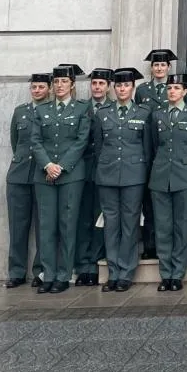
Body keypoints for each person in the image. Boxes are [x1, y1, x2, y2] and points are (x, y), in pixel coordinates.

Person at [30, 64, 90, 294]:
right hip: (44, 174)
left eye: (64, 82)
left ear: (72, 85)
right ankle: (48, 274)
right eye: (56, 82)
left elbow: (81, 141)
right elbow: (35, 141)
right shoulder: (41, 110)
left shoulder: (81, 109)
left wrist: (61, 166)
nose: (59, 86)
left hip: (71, 174)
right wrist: (47, 164)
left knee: (67, 225)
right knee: (46, 227)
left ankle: (64, 274)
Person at [94, 68, 152, 292]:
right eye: (118, 86)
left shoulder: (143, 112)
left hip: (134, 175)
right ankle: (113, 271)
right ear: (113, 88)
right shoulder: (102, 113)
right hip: (107, 174)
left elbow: (147, 148)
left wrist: (144, 176)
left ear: (132, 88)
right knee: (111, 225)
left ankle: (126, 272)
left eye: (126, 86)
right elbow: (98, 146)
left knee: (129, 224)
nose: (122, 89)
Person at [149, 72, 187, 292]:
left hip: (186, 176)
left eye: (176, 88)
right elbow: (154, 145)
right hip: (161, 176)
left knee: (182, 227)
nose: (172, 92)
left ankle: (178, 274)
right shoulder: (157, 115)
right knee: (163, 228)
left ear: (184, 92)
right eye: (169, 89)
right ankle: (166, 273)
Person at [4, 73, 50, 288]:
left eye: (41, 87)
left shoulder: (51, 111)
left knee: (44, 226)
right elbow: (16, 141)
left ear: (48, 89)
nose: (37, 90)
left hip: (42, 175)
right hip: (19, 174)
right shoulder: (20, 111)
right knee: (17, 226)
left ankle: (40, 270)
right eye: (34, 87)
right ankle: (16, 272)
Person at [136, 48, 178, 259]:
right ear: (151, 68)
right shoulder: (142, 90)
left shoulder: (174, 88)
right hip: (146, 147)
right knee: (149, 202)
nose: (159, 68)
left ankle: (168, 246)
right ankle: (150, 244)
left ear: (169, 67)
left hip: (167, 147)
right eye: (156, 65)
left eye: (163, 65)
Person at [74, 67, 114, 287]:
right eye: (94, 84)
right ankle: (84, 266)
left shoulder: (112, 108)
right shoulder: (81, 107)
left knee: (101, 218)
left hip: (106, 170)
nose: (97, 87)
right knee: (84, 218)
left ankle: (97, 261)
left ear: (108, 87)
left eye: (101, 84)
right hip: (83, 169)